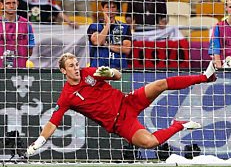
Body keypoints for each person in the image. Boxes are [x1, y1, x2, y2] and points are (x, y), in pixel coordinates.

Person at [26, 53, 217, 155]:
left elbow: (117, 75)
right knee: (149, 142)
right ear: (63, 71)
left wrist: (108, 72)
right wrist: (40, 142)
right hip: (120, 123)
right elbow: (54, 121)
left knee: (160, 84)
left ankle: (205, 77)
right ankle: (179, 125)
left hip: (127, 101)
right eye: (71, 66)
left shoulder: (89, 72)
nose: (76, 68)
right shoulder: (67, 96)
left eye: (76, 64)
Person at [87, 0, 132, 68]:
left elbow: (126, 49)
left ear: (117, 10)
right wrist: (108, 24)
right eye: (107, 7)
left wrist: (106, 45)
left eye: (113, 7)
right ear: (102, 8)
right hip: (97, 68)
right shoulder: (94, 26)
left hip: (119, 69)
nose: (110, 10)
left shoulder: (125, 27)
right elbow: (98, 42)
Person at [0, 0, 35, 68]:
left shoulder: (26, 23)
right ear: (1, 5)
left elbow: (30, 49)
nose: (11, 6)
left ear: (17, 4)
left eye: (14, 3)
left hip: (20, 69)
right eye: (8, 3)